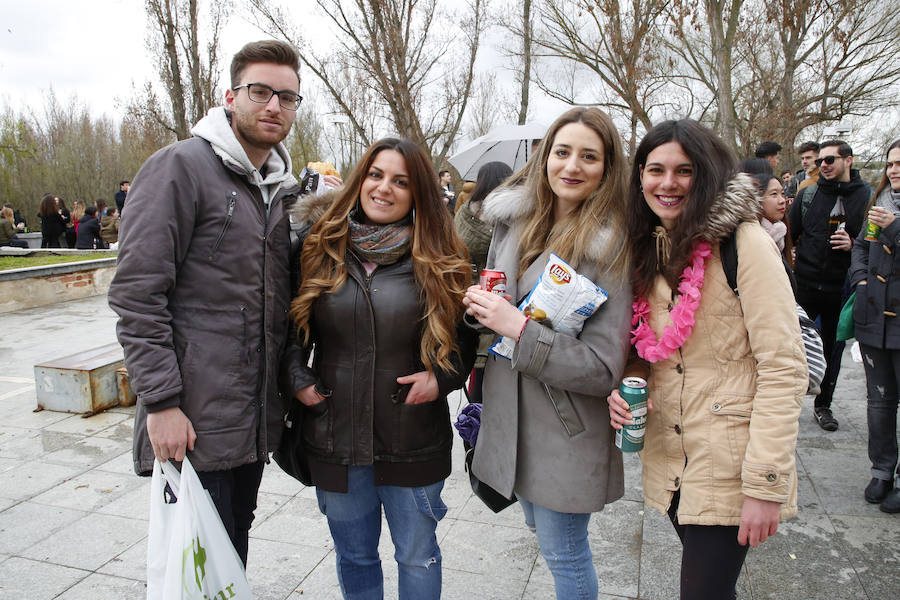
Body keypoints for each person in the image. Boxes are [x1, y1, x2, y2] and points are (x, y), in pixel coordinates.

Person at [108, 40, 309, 568]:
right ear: (229, 96)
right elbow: (137, 296)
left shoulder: (277, 190)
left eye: (287, 97)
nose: (273, 106)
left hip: (250, 423)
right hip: (192, 419)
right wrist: (163, 404)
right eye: (260, 91)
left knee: (227, 561)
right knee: (194, 566)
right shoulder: (181, 167)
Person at [608, 119, 806, 600]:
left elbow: (784, 367)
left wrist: (764, 485)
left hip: (733, 461)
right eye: (655, 170)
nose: (668, 183)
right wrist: (627, 384)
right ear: (639, 177)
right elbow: (647, 347)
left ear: (709, 174)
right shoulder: (648, 244)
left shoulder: (745, 244)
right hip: (675, 458)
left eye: (685, 170)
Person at [283, 137, 475, 600]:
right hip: (335, 435)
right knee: (355, 557)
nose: (384, 188)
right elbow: (287, 330)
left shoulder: (442, 258)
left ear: (418, 193)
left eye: (400, 181)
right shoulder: (319, 248)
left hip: (412, 436)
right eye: (375, 175)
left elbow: (466, 339)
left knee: (417, 554)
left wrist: (441, 378)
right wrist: (298, 379)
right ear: (359, 180)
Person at [462, 107, 632, 600]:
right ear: (544, 159)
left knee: (565, 554)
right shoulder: (512, 225)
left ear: (608, 168)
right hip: (510, 419)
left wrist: (515, 326)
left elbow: (602, 369)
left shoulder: (612, 249)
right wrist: (483, 308)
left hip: (566, 426)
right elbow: (497, 302)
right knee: (540, 532)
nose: (572, 166)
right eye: (562, 152)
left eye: (589, 156)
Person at [789, 140, 869, 431]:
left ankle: (823, 405)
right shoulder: (808, 194)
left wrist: (854, 244)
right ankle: (788, 401)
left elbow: (871, 244)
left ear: (848, 160)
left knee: (832, 349)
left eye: (830, 159)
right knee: (791, 344)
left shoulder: (867, 197)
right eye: (821, 160)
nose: (823, 165)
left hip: (840, 287)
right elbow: (790, 233)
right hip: (805, 284)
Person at [849, 139, 900, 512]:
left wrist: (895, 229)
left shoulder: (891, 217)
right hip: (874, 317)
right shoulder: (879, 206)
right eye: (890, 164)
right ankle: (882, 470)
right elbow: (861, 247)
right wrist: (861, 279)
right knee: (879, 401)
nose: (894, 170)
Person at [454, 160, 513, 403]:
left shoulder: (463, 212)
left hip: (468, 300)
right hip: (494, 302)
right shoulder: (504, 218)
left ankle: (473, 435)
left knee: (478, 385)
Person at [750, 172, 794, 265]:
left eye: (782, 194)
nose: (782, 200)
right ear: (756, 198)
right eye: (774, 194)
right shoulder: (748, 238)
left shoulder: (781, 234)